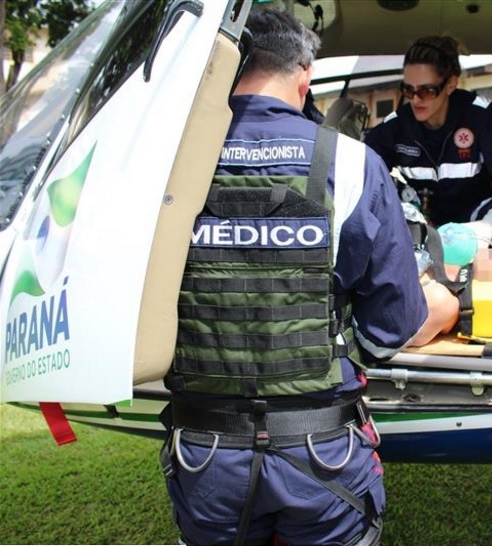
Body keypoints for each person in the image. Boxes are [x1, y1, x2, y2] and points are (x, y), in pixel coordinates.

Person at [159, 8, 430, 546]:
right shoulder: (352, 163)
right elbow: (393, 323)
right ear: (304, 74)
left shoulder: (166, 162)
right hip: (321, 453)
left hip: (206, 454)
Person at [364, 36, 492, 248]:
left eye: (426, 90)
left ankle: (487, 268)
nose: (416, 100)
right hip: (422, 221)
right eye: (408, 90)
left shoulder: (481, 115)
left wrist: (489, 225)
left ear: (450, 84)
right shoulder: (397, 125)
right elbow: (363, 168)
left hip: (476, 219)